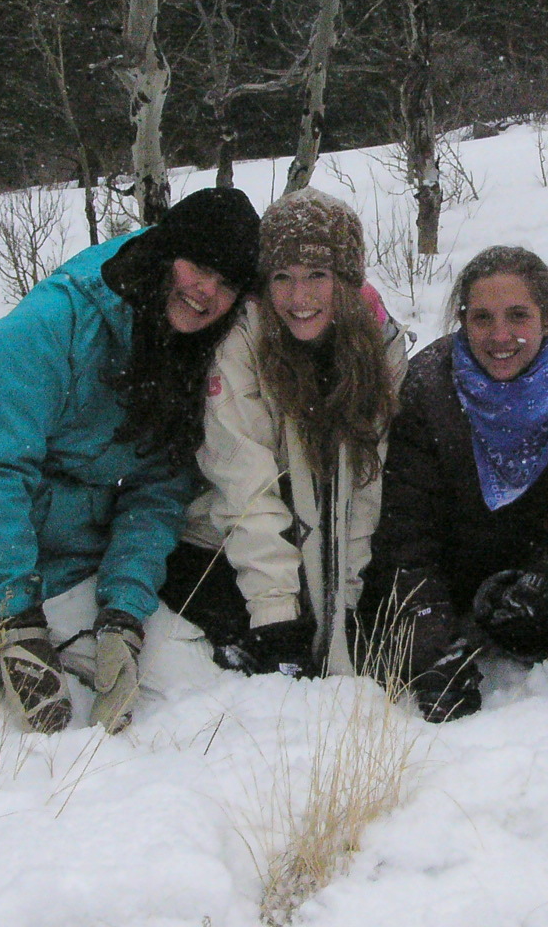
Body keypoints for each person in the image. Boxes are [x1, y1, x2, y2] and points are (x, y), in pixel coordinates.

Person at [0, 188, 260, 747]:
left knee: (187, 685)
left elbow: (156, 494)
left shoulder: (193, 353)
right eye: (199, 267)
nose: (206, 292)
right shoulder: (52, 322)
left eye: (226, 283)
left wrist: (122, 614)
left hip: (70, 564)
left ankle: (1, 653)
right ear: (166, 251)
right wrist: (15, 618)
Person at [361, 245, 548, 722]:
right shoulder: (428, 390)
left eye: (518, 316)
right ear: (462, 320)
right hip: (452, 588)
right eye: (482, 318)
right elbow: (406, 534)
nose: (499, 336)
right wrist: (431, 648)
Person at [161, 189, 409, 678]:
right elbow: (244, 483)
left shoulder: (379, 348)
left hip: (329, 545)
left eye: (317, 275)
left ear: (346, 280)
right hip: (225, 547)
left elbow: (365, 486)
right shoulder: (243, 342)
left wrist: (347, 602)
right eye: (282, 277)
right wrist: (275, 613)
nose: (299, 298)